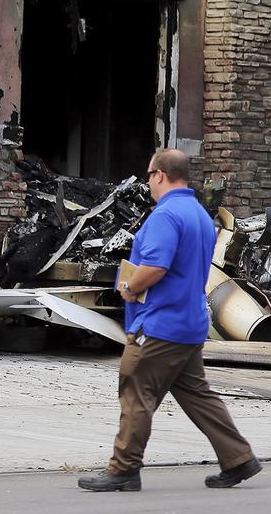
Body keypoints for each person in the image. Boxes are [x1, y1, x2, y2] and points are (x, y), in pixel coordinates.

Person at [78, 149, 261, 492]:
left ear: (160, 175)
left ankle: (123, 470)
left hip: (159, 325)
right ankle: (239, 458)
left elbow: (156, 267)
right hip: (189, 322)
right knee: (198, 395)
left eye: (149, 176)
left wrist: (130, 287)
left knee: (136, 391)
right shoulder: (201, 216)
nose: (148, 183)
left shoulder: (165, 215)